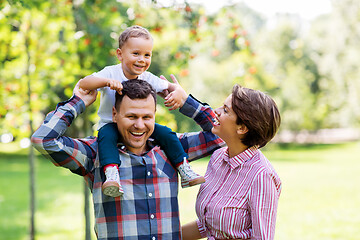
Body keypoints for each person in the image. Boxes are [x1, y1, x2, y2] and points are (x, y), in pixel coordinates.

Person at [31, 79, 224, 239]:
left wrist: (186, 102)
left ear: (154, 115)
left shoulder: (172, 148)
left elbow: (222, 136)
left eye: (146, 117)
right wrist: (77, 102)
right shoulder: (94, 154)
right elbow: (43, 139)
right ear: (115, 115)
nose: (139, 125)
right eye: (131, 116)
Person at [77, 25, 204, 197]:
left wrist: (178, 92)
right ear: (120, 54)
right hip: (111, 125)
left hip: (140, 125)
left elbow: (170, 86)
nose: (141, 60)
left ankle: (184, 168)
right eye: (136, 54)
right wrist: (105, 82)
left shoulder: (147, 77)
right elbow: (84, 83)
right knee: (105, 139)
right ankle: (112, 175)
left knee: (167, 133)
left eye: (147, 55)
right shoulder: (111, 73)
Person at [180, 84, 282, 240]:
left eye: (225, 110)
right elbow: (208, 225)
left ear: (242, 128)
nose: (216, 111)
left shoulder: (262, 176)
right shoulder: (217, 158)